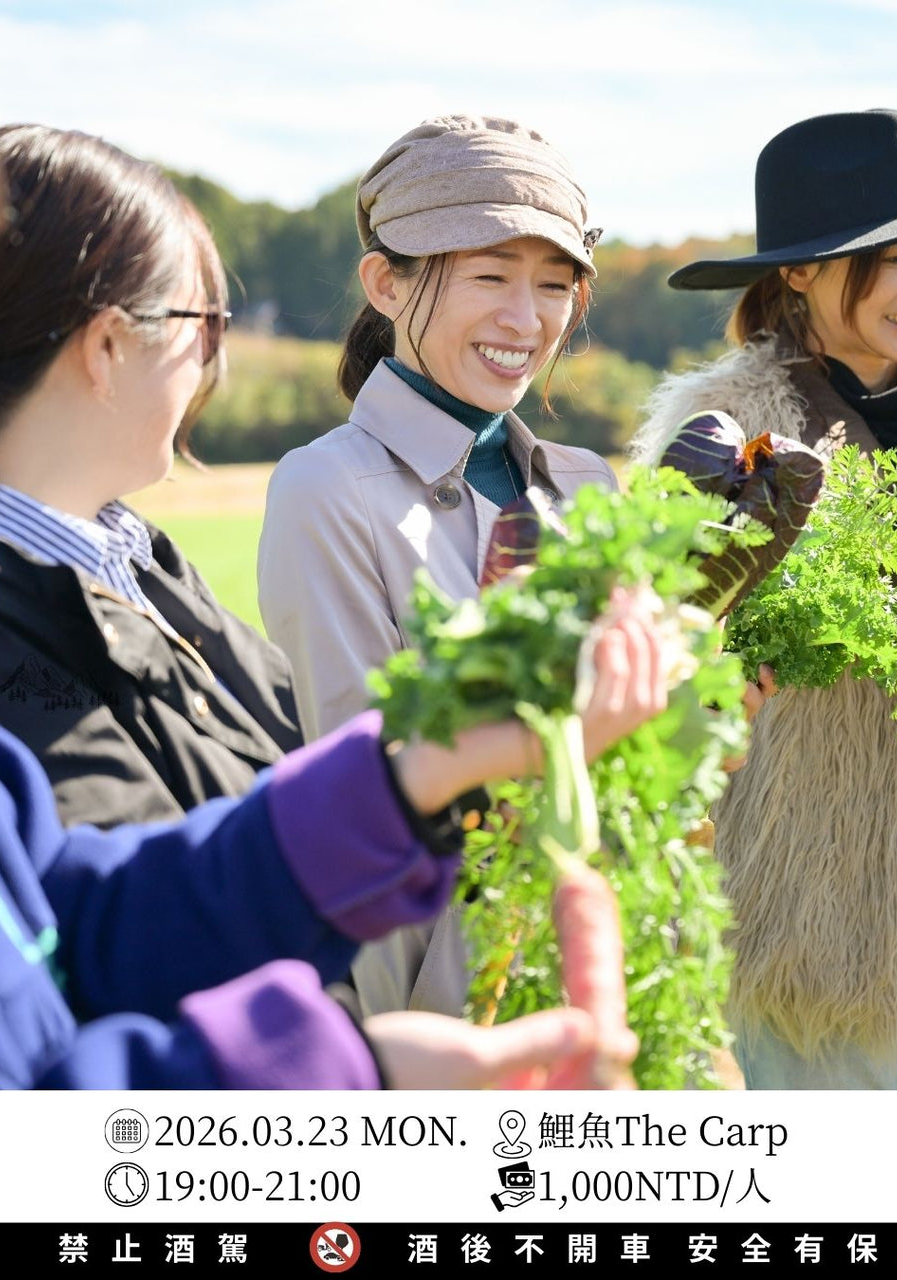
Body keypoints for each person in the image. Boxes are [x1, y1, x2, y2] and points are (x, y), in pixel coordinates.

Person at [0, 94, 659, 1089]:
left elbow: (98, 905)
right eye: (204, 320)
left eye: (555, 282)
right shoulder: (313, 492)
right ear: (107, 344)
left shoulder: (140, 560)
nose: (219, 355)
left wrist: (415, 772)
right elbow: (95, 987)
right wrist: (356, 1066)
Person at [632, 108, 897, 1090]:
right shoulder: (721, 427)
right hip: (819, 887)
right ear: (797, 271)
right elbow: (670, 636)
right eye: (887, 258)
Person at [258, 114, 616, 1017]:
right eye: (490, 277)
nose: (525, 320)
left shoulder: (589, 487)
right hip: (461, 1007)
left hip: (610, 978)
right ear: (385, 282)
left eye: (553, 285)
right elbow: (364, 808)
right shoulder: (328, 491)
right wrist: (409, 1059)